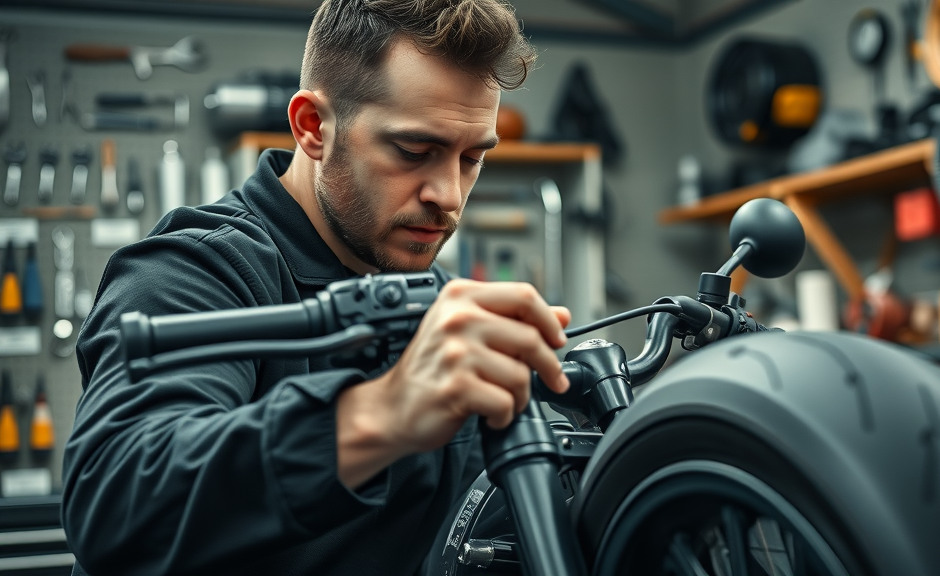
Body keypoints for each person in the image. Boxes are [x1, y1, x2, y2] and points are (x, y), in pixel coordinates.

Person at [61, 1, 571, 574]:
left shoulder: (445, 311)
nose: (449, 195)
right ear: (312, 128)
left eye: (472, 158)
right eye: (414, 152)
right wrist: (381, 416)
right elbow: (117, 506)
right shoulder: (192, 272)